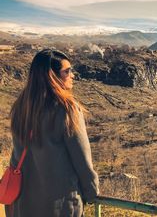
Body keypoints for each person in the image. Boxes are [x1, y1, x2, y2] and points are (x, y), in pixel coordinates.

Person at [5, 49, 99, 217]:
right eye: (67, 71)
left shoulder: (21, 107)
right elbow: (82, 160)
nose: (73, 75)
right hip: (60, 206)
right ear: (52, 76)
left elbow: (16, 157)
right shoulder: (67, 109)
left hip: (23, 204)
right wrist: (92, 193)